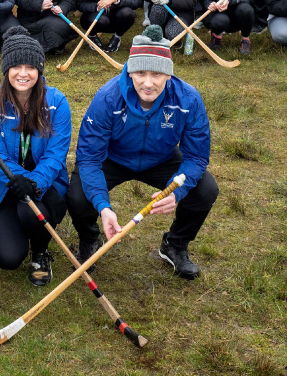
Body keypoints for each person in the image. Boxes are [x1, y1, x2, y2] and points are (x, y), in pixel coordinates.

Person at [67, 25, 217, 279]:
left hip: (162, 158)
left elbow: (196, 156)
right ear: (130, 71)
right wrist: (103, 207)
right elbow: (90, 158)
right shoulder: (107, 98)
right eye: (140, 73)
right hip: (112, 158)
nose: (148, 83)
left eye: (157, 74)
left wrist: (177, 190)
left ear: (168, 75)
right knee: (79, 196)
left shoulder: (188, 99)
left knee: (205, 189)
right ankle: (90, 240)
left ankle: (175, 244)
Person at [0, 26, 71, 284]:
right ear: (6, 70)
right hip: (0, 186)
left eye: (31, 67)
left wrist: (35, 183)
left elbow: (56, 154)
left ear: (40, 70)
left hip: (41, 186)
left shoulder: (57, 103)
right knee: (7, 257)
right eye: (16, 67)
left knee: (31, 210)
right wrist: (16, 178)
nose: (23, 73)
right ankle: (13, 230)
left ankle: (40, 251)